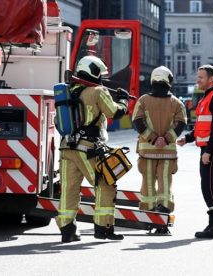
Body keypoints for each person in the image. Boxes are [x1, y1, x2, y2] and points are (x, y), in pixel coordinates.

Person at [56, 55, 130, 242]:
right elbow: (114, 112)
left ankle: (67, 230)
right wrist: (124, 100)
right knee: (105, 185)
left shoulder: (68, 91)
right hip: (87, 149)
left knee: (68, 189)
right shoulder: (98, 91)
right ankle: (103, 228)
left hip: (66, 147)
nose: (101, 77)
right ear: (94, 72)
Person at [176, 64, 213, 239]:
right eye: (197, 77)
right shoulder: (207, 98)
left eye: (201, 77)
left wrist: (208, 151)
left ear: (211, 79)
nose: (197, 80)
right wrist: (188, 138)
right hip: (212, 147)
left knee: (207, 185)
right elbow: (203, 127)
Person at [131, 66, 187, 235]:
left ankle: (148, 219)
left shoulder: (143, 101)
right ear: (169, 81)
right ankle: (162, 218)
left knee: (147, 185)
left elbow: (137, 122)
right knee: (165, 185)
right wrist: (166, 139)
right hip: (168, 154)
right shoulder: (177, 103)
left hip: (147, 152)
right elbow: (181, 124)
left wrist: (154, 138)